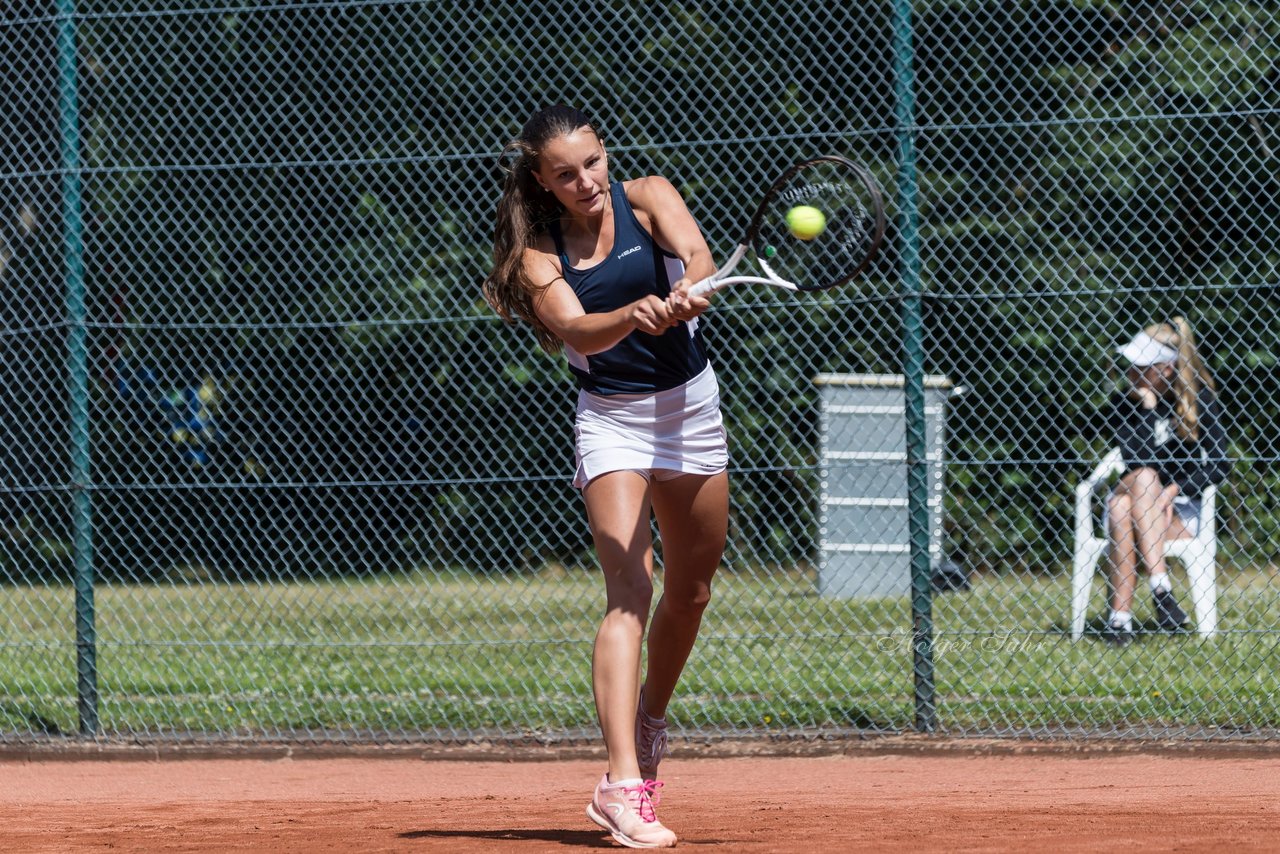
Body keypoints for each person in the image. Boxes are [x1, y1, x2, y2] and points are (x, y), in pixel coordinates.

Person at [482, 104, 727, 848]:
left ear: (605, 154)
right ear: (542, 182)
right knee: (631, 591)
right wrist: (631, 312)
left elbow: (700, 258)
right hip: (612, 420)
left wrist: (693, 289)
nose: (585, 181)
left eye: (591, 163)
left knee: (691, 592)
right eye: (565, 173)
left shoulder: (649, 193)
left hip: (690, 409)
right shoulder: (537, 255)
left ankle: (649, 720)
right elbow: (578, 329)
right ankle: (623, 786)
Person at [1101, 316, 1229, 647]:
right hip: (1142, 495)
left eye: (1142, 366)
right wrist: (1146, 410)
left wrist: (1173, 490)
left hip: (1179, 510)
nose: (1131, 373)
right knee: (1143, 478)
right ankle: (1161, 588)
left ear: (1166, 369)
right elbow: (1135, 463)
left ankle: (1119, 622)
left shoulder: (1201, 403)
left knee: (1119, 508)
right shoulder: (1126, 404)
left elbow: (1219, 465)